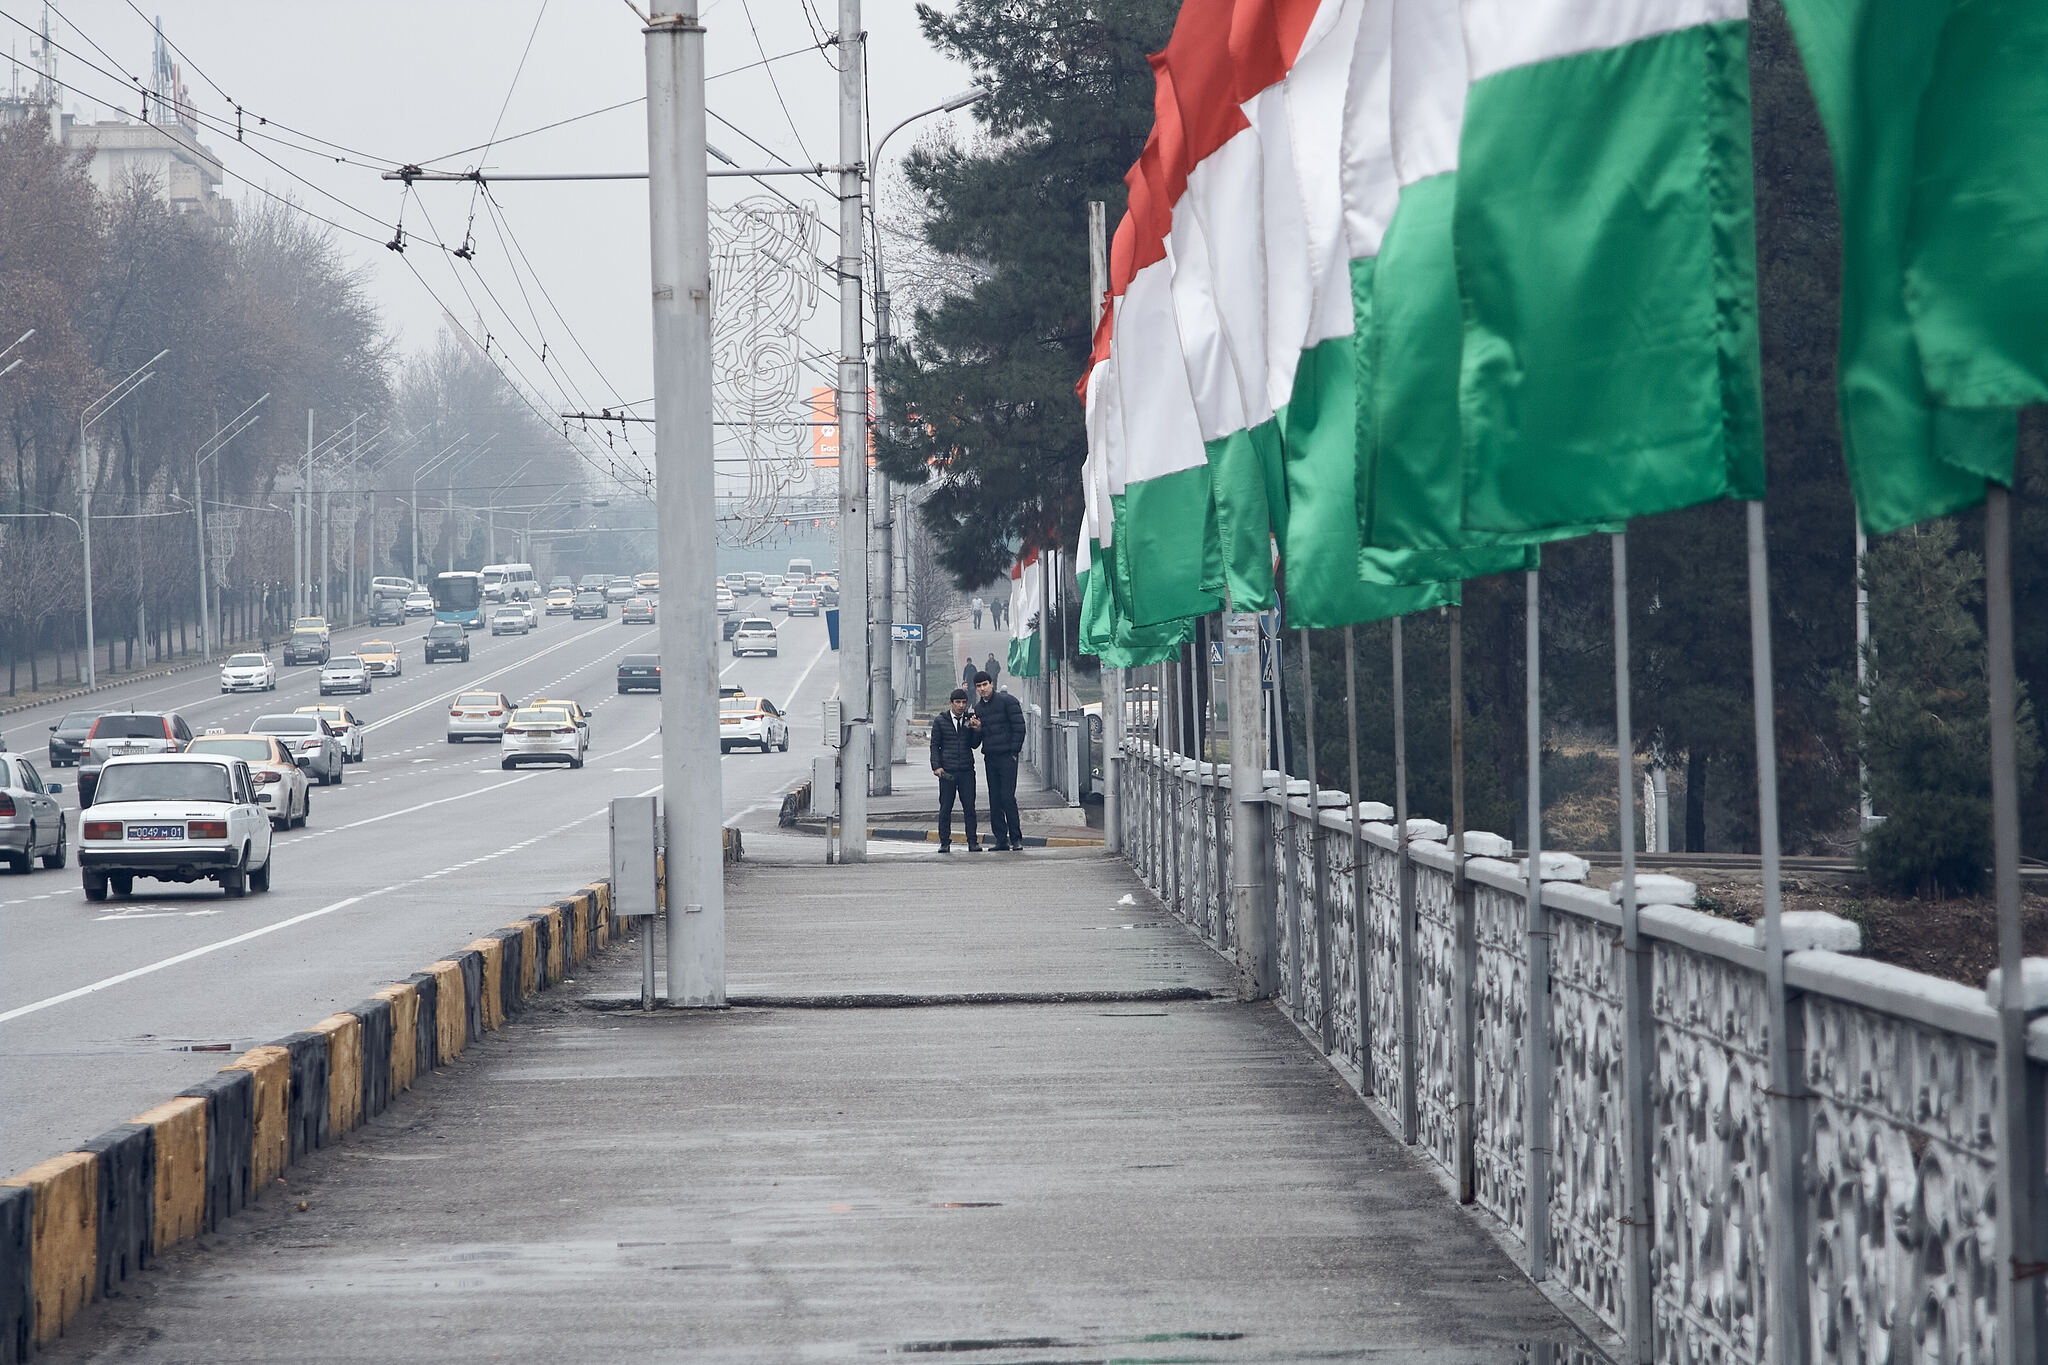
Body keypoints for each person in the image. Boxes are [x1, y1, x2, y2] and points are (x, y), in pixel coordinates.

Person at [972, 670, 1026, 851]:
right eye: (979, 686)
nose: (982, 689)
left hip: (1007, 757)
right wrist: (977, 729)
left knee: (1007, 797)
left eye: (985, 684)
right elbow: (974, 743)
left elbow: (1019, 727)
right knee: (994, 799)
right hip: (991, 758)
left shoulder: (1007, 701)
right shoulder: (978, 709)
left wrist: (1014, 751)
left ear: (992, 684)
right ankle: (1001, 840)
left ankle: (1016, 839)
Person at [930, 687, 982, 852]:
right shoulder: (941, 721)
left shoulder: (969, 720)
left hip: (966, 769)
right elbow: (934, 745)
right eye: (958, 702)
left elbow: (974, 744)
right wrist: (936, 766)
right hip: (947, 771)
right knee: (945, 808)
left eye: (964, 702)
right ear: (951, 703)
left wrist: (977, 729)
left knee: (970, 808)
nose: (961, 706)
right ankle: (944, 842)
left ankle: (972, 841)